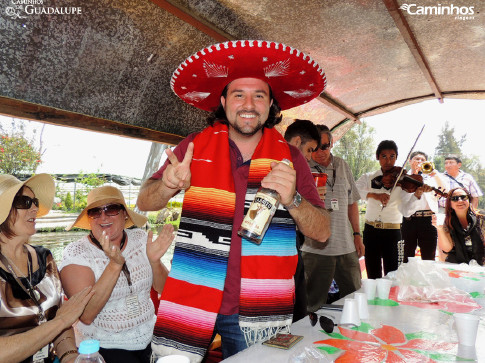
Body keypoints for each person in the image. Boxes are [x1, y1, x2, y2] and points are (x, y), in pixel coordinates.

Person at [137, 39, 331, 362]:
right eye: (239, 94)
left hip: (258, 312)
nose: (249, 104)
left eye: (259, 95)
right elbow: (145, 199)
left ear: (271, 105)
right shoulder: (194, 146)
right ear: (224, 100)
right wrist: (168, 185)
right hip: (192, 298)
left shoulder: (292, 158)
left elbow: (323, 232)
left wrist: (293, 198)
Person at [60, 186, 175, 363]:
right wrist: (114, 265)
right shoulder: (77, 253)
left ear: (124, 214)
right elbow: (86, 315)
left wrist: (154, 261)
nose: (103, 217)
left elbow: (165, 289)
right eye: (95, 212)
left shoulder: (140, 238)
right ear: (89, 219)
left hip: (151, 334)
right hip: (103, 344)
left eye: (111, 209)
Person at [0, 174, 94, 363]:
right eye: (24, 202)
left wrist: (70, 356)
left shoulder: (45, 258)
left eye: (34, 201)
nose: (35, 208)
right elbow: (62, 320)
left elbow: (60, 319)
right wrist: (60, 322)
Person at [301, 125, 363, 312]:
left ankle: (354, 338)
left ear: (332, 144)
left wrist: (357, 235)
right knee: (313, 304)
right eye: (316, 147)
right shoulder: (302, 167)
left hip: (346, 246)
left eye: (325, 146)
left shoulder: (342, 165)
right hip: (315, 248)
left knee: (355, 297)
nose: (320, 152)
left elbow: (352, 203)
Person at [356, 140, 417, 279]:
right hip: (371, 231)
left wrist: (417, 194)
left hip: (392, 232)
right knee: (372, 273)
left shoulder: (403, 180)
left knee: (393, 274)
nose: (388, 161)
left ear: (396, 157)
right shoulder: (368, 177)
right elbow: (353, 190)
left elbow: (407, 211)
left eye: (392, 156)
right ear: (377, 157)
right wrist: (373, 195)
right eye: (384, 156)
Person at [283, 119, 321, 322]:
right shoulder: (289, 163)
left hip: (291, 241)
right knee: (296, 306)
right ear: (297, 142)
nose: (308, 157)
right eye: (309, 150)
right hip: (285, 242)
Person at [400, 151, 445, 262]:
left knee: (429, 257)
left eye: (423, 160)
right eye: (417, 159)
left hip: (428, 220)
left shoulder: (432, 177)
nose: (420, 162)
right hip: (409, 219)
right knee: (406, 256)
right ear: (410, 161)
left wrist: (434, 173)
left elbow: (445, 190)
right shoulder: (403, 177)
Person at [432, 187, 485, 265]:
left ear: (469, 200)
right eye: (455, 198)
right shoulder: (446, 222)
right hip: (456, 266)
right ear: (450, 204)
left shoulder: (481, 218)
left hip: (480, 264)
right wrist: (440, 229)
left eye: (463, 197)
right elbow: (447, 249)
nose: (460, 201)